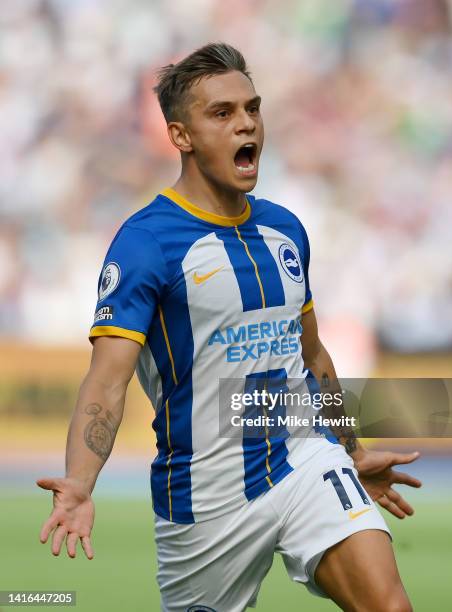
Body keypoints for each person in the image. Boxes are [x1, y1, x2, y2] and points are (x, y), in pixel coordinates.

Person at [37, 43, 421, 612]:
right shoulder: (146, 243)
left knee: (388, 605)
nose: (246, 123)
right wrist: (80, 482)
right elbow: (107, 380)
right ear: (180, 136)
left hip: (303, 457)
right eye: (222, 113)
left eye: (252, 108)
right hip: (204, 495)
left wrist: (351, 447)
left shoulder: (285, 229)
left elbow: (313, 359)